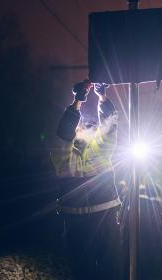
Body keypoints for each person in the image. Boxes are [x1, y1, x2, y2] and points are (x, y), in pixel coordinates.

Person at [50, 80, 121, 280]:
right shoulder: (62, 156)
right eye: (78, 127)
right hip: (79, 222)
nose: (81, 128)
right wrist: (77, 102)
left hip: (103, 218)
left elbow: (110, 126)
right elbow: (63, 133)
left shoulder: (99, 149)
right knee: (83, 272)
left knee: (111, 271)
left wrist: (103, 97)